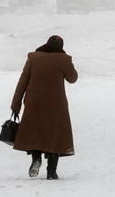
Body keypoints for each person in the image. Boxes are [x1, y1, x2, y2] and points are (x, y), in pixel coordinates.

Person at [10, 35, 78, 180]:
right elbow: (73, 78)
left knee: (36, 131)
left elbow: (23, 81)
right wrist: (65, 59)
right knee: (54, 135)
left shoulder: (33, 58)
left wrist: (16, 103)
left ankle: (36, 160)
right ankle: (51, 172)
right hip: (56, 104)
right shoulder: (63, 59)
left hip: (34, 102)